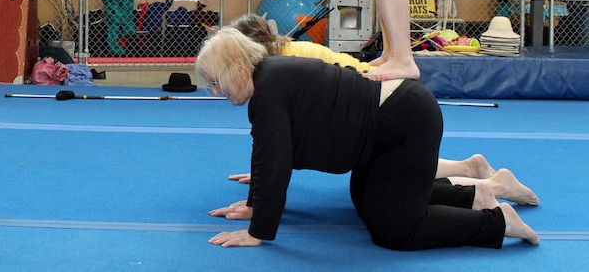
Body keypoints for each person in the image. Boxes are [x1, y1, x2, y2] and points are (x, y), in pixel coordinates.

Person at [194, 27, 540, 249]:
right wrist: (256, 202)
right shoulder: (271, 79)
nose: (214, 92)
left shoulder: (269, 91)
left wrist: (258, 230)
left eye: (215, 82)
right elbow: (267, 151)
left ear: (237, 70)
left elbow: (276, 162)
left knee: (396, 230)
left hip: (404, 121)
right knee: (366, 197)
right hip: (390, 124)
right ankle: (479, 193)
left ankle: (496, 222)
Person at [224, 14, 540, 206]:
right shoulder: (282, 60)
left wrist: (270, 173)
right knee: (392, 173)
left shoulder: (283, 67)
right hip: (375, 99)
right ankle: (471, 169)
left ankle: (482, 182)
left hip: (381, 101)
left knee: (393, 179)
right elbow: (288, 135)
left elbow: (294, 134)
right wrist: (268, 170)